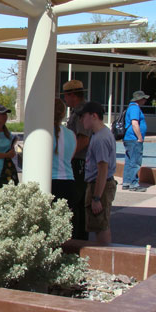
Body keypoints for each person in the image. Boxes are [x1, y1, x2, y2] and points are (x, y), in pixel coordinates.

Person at [79, 101, 117, 245]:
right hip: (99, 184)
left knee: (101, 226)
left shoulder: (101, 138)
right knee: (99, 225)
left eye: (83, 116)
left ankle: (104, 257)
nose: (81, 120)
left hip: (100, 185)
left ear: (94, 116)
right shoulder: (101, 134)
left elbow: (103, 169)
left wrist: (96, 198)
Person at [62, 79, 91, 240]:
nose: (65, 99)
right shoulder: (78, 111)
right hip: (79, 161)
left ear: (72, 95)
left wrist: (68, 156)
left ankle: (78, 239)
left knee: (76, 201)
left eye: (65, 95)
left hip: (79, 162)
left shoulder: (81, 112)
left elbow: (83, 139)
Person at [50, 99, 78, 238]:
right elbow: (70, 157)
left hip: (50, 182)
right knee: (65, 226)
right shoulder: (71, 135)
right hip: (69, 182)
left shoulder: (44, 134)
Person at [122, 90, 149, 192]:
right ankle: (133, 183)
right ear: (139, 99)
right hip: (133, 138)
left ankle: (127, 182)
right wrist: (139, 137)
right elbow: (134, 123)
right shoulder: (134, 108)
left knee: (129, 160)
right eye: (143, 99)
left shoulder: (131, 107)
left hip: (129, 138)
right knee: (135, 161)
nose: (145, 101)